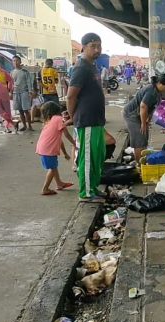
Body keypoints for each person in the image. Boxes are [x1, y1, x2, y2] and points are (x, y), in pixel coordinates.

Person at [67, 33, 107, 203]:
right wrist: (73, 116)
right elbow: (70, 96)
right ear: (83, 47)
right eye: (93, 46)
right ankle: (86, 193)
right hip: (87, 120)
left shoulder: (92, 66)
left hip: (96, 120)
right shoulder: (81, 68)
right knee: (88, 158)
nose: (97, 50)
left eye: (99, 46)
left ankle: (93, 187)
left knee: (97, 156)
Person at [123, 74, 165, 163]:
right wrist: (143, 123)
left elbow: (151, 107)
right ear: (160, 83)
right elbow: (143, 106)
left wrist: (148, 119)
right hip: (131, 115)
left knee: (144, 137)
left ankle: (141, 159)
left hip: (139, 114)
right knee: (139, 139)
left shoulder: (157, 91)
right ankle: (139, 165)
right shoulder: (151, 91)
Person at [36, 101, 75, 196]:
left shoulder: (48, 121)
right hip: (48, 149)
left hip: (43, 148)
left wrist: (65, 153)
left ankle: (59, 183)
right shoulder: (58, 119)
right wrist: (75, 143)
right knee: (52, 168)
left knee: (53, 166)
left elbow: (59, 140)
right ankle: (45, 188)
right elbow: (66, 134)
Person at [11, 56, 34, 131]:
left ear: (20, 62)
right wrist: (10, 92)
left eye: (17, 61)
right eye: (14, 61)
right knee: (20, 110)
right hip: (15, 93)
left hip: (24, 92)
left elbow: (29, 82)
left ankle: (29, 126)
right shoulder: (12, 72)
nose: (15, 62)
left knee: (26, 110)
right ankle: (24, 125)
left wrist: (30, 91)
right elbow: (10, 84)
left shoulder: (25, 72)